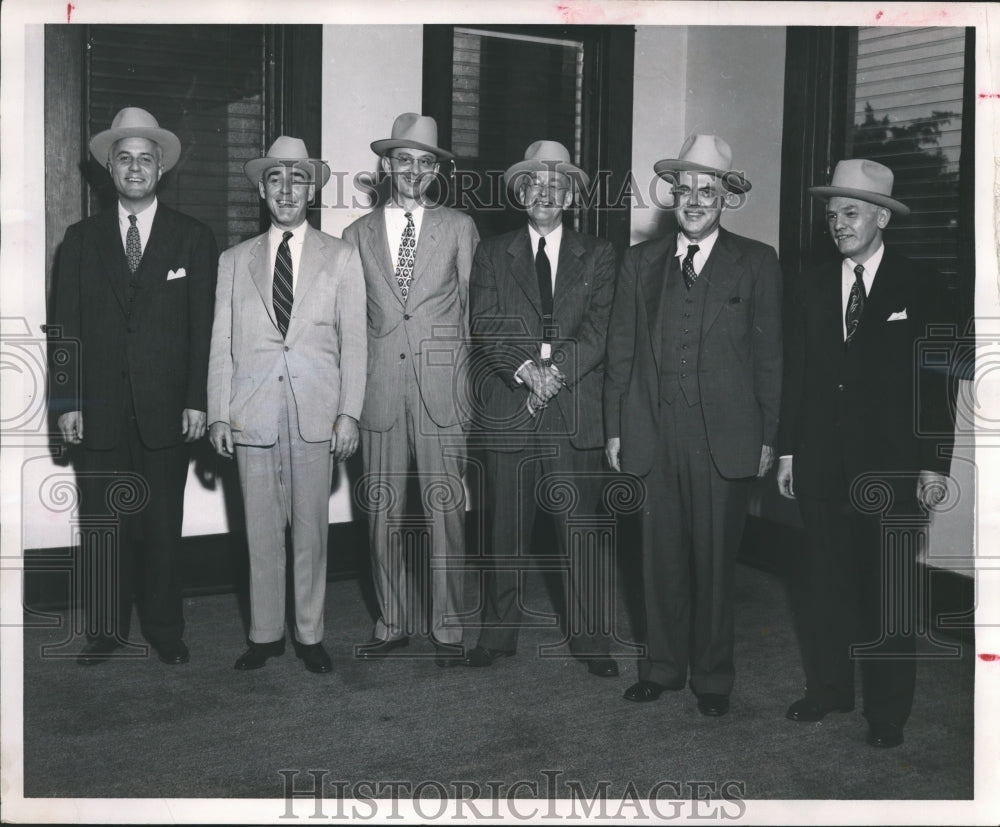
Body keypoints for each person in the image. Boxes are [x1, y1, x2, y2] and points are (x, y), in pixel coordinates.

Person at [776, 159, 955, 748]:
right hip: (822, 462)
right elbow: (796, 377)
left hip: (895, 467)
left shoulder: (923, 284)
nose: (838, 224)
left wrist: (933, 463)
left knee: (891, 596)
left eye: (850, 213)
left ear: (881, 216)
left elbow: (937, 383)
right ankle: (828, 691)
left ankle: (887, 715)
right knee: (825, 583)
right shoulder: (809, 284)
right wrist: (788, 454)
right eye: (832, 215)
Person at [604, 134, 782, 716]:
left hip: (724, 440)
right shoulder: (640, 262)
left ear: (727, 198)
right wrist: (615, 428)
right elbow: (622, 352)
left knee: (713, 563)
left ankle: (712, 677)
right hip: (653, 433)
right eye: (685, 190)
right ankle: (661, 666)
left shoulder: (756, 262)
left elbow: (770, 358)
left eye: (708, 191)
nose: (696, 200)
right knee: (659, 560)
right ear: (673, 197)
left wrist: (768, 437)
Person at [50, 107, 218, 666]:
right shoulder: (80, 239)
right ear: (109, 168)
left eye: (146, 158)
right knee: (101, 522)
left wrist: (198, 398)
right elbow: (65, 329)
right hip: (97, 409)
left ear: (162, 167)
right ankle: (105, 630)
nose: (136, 167)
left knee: (163, 523)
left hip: (166, 409)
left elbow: (203, 330)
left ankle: (166, 628)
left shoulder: (193, 239)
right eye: (124, 158)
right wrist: (67, 403)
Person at [207, 136, 367, 674]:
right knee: (259, 530)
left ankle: (310, 632)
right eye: (275, 179)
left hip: (315, 411)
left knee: (311, 530)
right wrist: (218, 412)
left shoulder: (341, 257)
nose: (286, 190)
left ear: (312, 189)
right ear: (261, 189)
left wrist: (349, 413)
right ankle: (265, 634)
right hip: (253, 410)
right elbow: (222, 343)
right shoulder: (234, 260)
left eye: (297, 179)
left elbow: (355, 343)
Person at [463, 140, 619, 677]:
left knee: (580, 531)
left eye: (557, 184)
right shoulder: (492, 251)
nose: (545, 192)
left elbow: (601, 329)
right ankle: (497, 634)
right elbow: (484, 321)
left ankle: (593, 642)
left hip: (573, 411)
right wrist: (526, 370)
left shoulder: (598, 254)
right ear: (519, 193)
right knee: (504, 531)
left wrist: (555, 376)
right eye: (534, 183)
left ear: (571, 194)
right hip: (512, 405)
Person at [343, 113, 479, 666]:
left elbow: (472, 316)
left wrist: (467, 400)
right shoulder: (355, 236)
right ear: (387, 165)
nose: (413, 170)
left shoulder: (460, 227)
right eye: (404, 159)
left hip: (442, 391)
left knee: (445, 511)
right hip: (381, 392)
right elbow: (351, 326)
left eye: (425, 162)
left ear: (436, 170)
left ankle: (448, 629)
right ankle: (391, 621)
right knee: (383, 512)